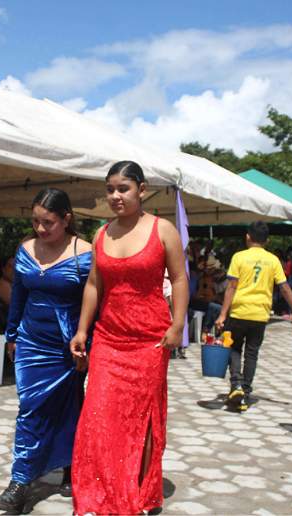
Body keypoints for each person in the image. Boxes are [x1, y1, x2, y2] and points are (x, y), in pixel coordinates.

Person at [70, 161, 188, 515]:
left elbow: (179, 278)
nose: (116, 196)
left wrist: (178, 325)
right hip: (108, 338)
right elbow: (94, 284)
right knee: (99, 414)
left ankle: (141, 491)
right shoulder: (102, 234)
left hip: (150, 340)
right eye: (110, 189)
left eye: (123, 188)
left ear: (142, 189)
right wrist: (82, 330)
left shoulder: (163, 230)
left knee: (143, 417)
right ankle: (100, 489)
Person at [0, 188, 92, 512]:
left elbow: (95, 302)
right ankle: (20, 482)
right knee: (30, 408)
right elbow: (18, 296)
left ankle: (71, 468)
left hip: (69, 344)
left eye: (48, 222)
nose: (40, 228)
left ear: (66, 219)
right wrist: (12, 335)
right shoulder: (25, 249)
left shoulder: (86, 253)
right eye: (35, 221)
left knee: (71, 405)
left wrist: (88, 343)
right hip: (32, 341)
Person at [215, 221, 292, 412]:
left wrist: (222, 314)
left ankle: (236, 384)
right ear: (267, 240)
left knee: (234, 348)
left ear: (247, 237)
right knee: (252, 353)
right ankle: (245, 391)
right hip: (260, 315)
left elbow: (231, 287)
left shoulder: (239, 257)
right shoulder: (273, 260)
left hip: (239, 312)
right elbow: (284, 288)